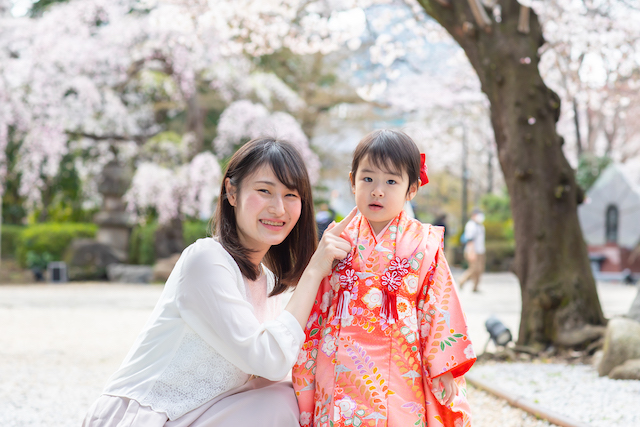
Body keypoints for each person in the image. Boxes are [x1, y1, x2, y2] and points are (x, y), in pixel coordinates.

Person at [83, 137, 356, 427]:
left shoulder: (268, 282)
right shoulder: (206, 260)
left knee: (290, 399)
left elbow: (277, 375)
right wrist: (313, 272)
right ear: (232, 192)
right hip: (147, 418)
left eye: (291, 195)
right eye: (264, 191)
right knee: (283, 403)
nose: (279, 209)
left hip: (206, 414)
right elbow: (269, 360)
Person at [292, 130, 476, 427]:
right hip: (338, 365)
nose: (378, 190)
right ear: (352, 181)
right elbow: (318, 305)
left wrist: (444, 367)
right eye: (368, 179)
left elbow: (439, 307)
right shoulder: (335, 240)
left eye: (391, 181)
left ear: (412, 189)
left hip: (402, 368)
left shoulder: (423, 243)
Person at [458, 208, 486, 292]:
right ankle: (461, 280)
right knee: (474, 268)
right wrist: (471, 252)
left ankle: (475, 287)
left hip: (480, 250)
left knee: (480, 269)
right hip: (473, 251)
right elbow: (470, 240)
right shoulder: (471, 225)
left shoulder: (480, 225)